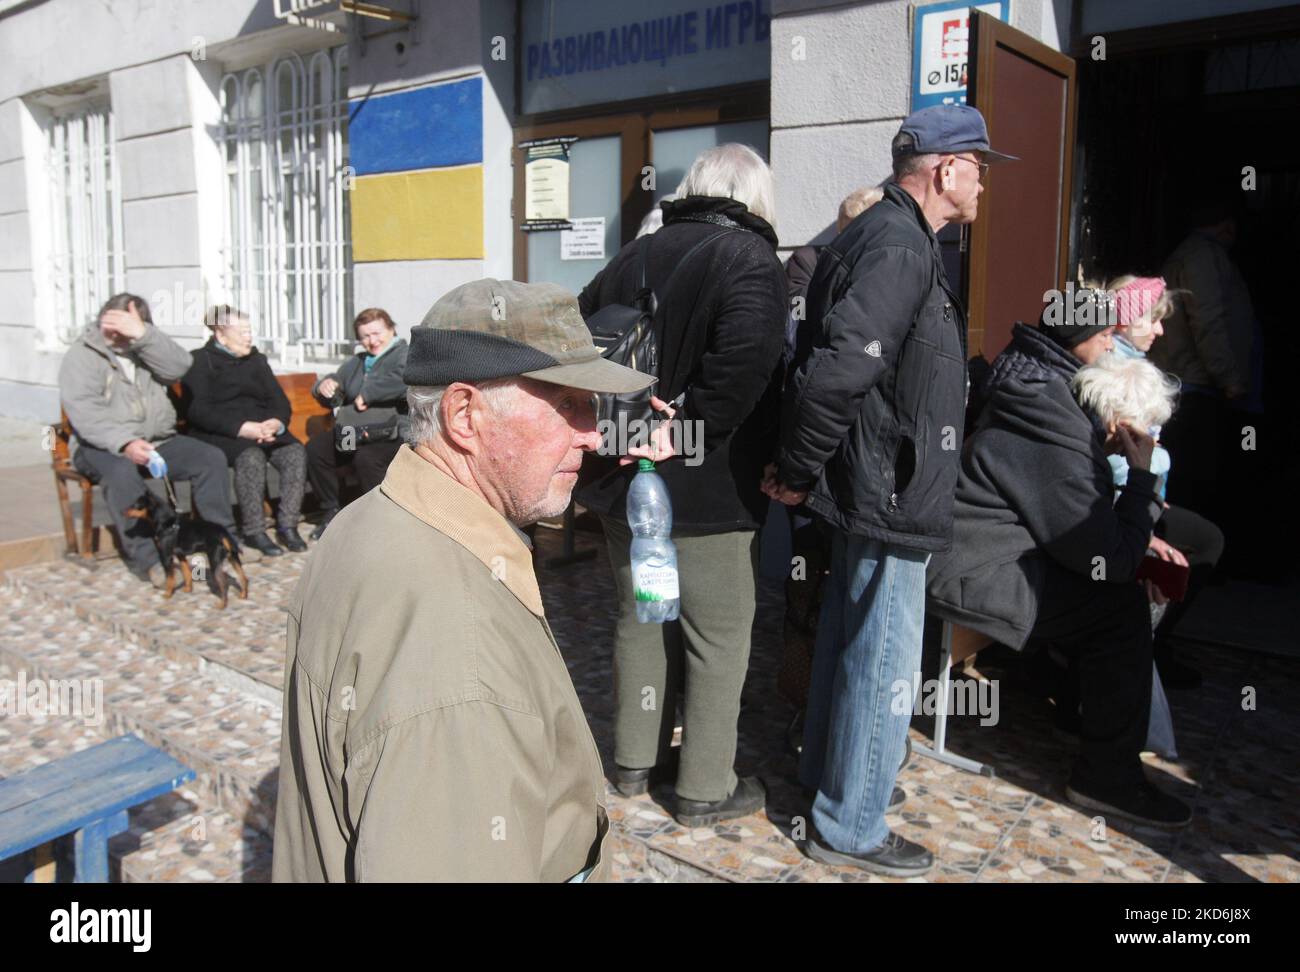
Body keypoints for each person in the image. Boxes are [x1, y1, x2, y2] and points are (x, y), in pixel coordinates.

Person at [273, 279, 672, 882]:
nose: (593, 434)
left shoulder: (371, 517)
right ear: (464, 414)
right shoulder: (460, 652)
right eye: (569, 403)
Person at [766, 105, 1014, 876]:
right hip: (889, 489)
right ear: (946, 169)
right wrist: (799, 467)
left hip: (877, 482)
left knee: (850, 642)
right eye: (979, 166)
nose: (983, 183)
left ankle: (835, 785)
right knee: (882, 660)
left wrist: (807, 466)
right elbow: (841, 366)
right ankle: (852, 825)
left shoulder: (882, 235)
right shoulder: (902, 245)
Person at [576, 143, 786, 826]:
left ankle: (635, 764)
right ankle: (703, 788)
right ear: (756, 195)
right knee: (715, 638)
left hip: (620, 474)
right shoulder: (751, 258)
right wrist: (690, 421)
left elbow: (574, 340)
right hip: (707, 491)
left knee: (645, 617)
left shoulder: (631, 256)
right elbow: (747, 361)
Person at [926, 296, 1192, 829]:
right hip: (974, 572)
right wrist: (1141, 480)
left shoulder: (1044, 396)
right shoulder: (1049, 421)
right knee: (1118, 607)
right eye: (1104, 339)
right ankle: (1106, 778)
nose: (1112, 347)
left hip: (1000, 554)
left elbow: (1078, 528)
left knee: (1114, 593)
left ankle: (1088, 722)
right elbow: (1105, 558)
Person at [58, 293, 239, 587]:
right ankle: (150, 560)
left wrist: (143, 336)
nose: (116, 333)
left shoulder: (144, 346)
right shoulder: (82, 355)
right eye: (112, 324)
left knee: (209, 458)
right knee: (120, 473)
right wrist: (125, 443)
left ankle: (222, 539)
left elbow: (180, 366)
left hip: (157, 440)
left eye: (126, 325)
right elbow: (85, 413)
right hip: (102, 444)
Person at [1107, 275, 1225, 688]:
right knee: (1204, 543)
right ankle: (1144, 647)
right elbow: (1121, 457)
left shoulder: (1127, 360)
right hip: (1124, 503)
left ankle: (1149, 646)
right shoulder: (1119, 372)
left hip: (1138, 496)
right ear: (1124, 320)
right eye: (1151, 320)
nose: (1159, 330)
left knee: (1197, 541)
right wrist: (1147, 503)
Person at [1149, 203, 1257, 520]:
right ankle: (1186, 561)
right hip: (1194, 385)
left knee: (1193, 479)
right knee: (1193, 483)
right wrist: (1229, 378)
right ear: (1227, 227)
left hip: (1195, 382)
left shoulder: (1201, 255)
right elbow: (1208, 320)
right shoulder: (1202, 256)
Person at [182, 305, 308, 556]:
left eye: (250, 331)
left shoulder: (257, 360)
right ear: (221, 335)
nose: (249, 337)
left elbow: (279, 400)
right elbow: (198, 410)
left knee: (294, 452)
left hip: (264, 428)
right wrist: (242, 429)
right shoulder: (200, 361)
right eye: (242, 332)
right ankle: (254, 530)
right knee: (251, 457)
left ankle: (288, 524)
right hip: (224, 433)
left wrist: (276, 423)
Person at [305, 308, 409, 540]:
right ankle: (332, 509)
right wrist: (324, 386)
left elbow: (407, 380)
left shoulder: (406, 354)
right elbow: (337, 387)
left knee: (366, 459)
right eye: (365, 336)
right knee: (318, 450)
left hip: (392, 432)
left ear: (391, 329)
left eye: (377, 333)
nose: (372, 341)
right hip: (356, 431)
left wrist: (368, 393)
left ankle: (378, 519)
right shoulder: (357, 361)